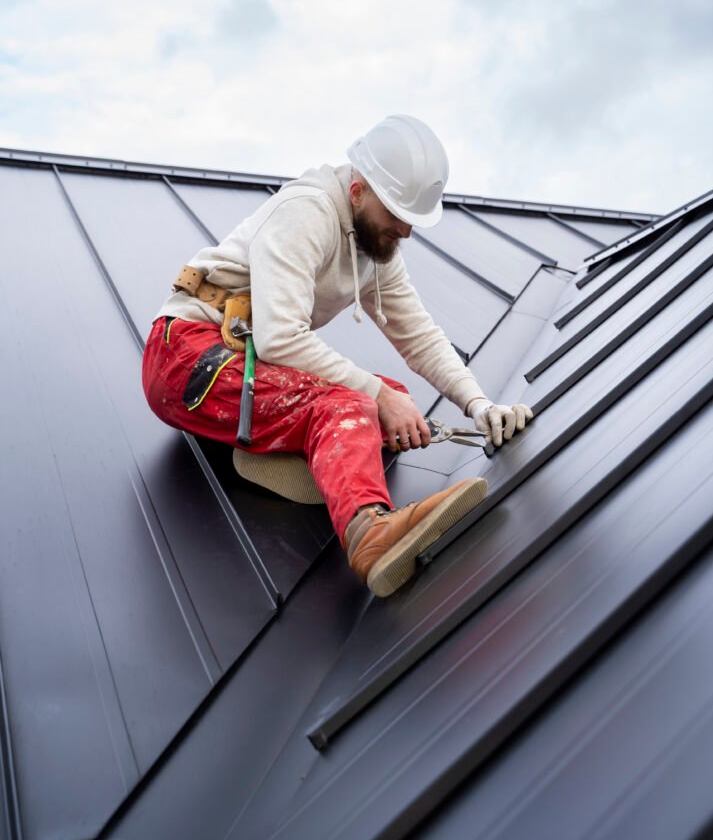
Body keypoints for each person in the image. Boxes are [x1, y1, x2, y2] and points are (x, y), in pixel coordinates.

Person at [142, 115, 532, 597]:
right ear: (358, 192)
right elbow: (281, 338)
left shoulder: (377, 247)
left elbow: (420, 338)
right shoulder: (308, 212)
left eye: (412, 219)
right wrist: (371, 399)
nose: (405, 231)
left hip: (240, 361)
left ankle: (290, 449)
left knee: (392, 399)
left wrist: (479, 405)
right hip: (186, 357)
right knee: (352, 405)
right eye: (396, 214)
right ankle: (370, 534)